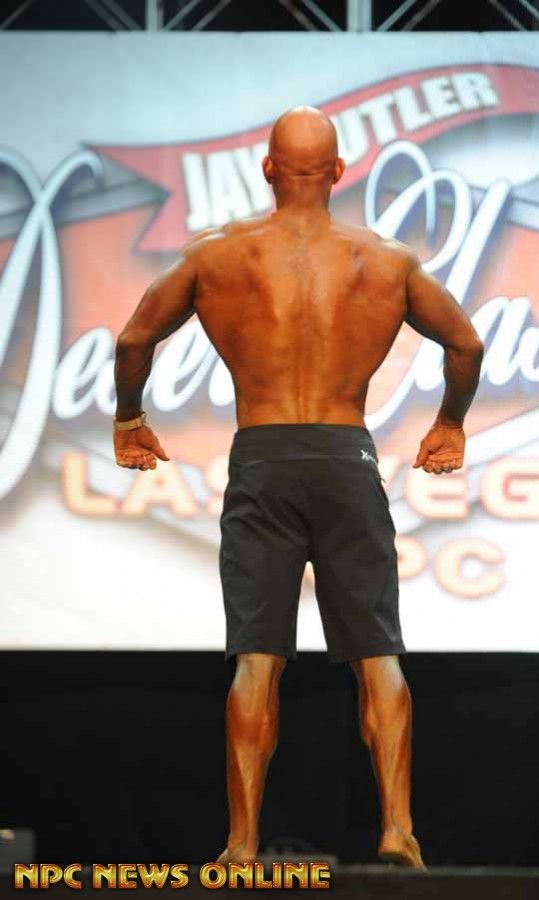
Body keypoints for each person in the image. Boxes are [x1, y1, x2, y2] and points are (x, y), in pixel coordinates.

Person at [113, 106, 484, 868]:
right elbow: (466, 343)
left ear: (268, 170)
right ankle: (398, 830)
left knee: (258, 659)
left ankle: (241, 844)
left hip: (264, 460)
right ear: (339, 172)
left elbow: (134, 339)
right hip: (348, 460)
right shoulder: (386, 262)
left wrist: (129, 418)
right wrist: (449, 423)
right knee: (377, 654)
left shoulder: (218, 255)